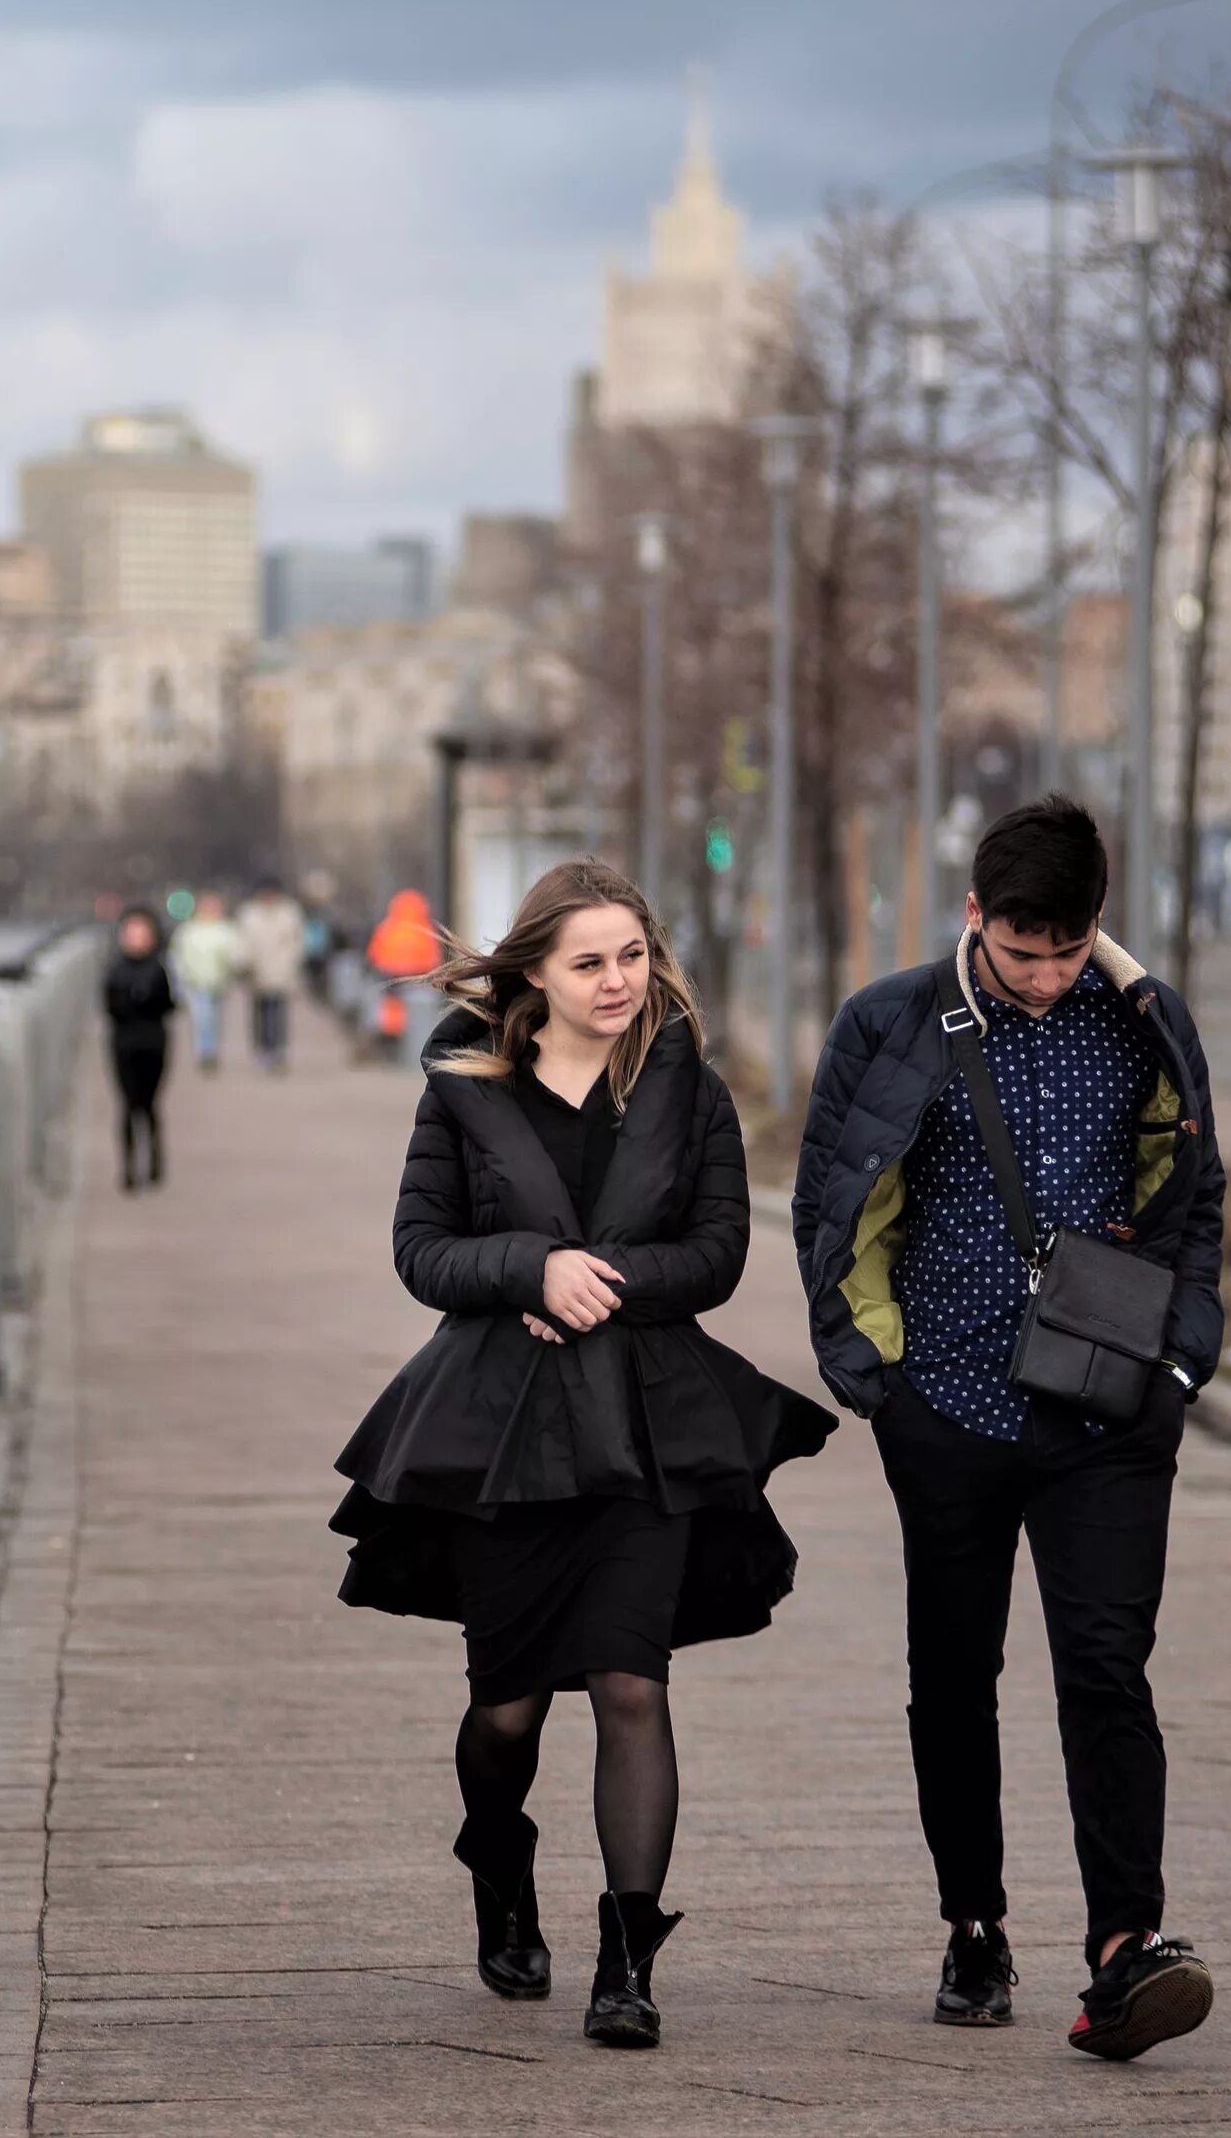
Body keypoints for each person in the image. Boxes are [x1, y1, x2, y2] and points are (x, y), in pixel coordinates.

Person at [329, 859, 835, 2050]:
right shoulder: (464, 1087)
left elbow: (718, 1254)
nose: (618, 981)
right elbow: (422, 1251)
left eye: (632, 955)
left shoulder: (690, 1091)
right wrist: (527, 1271)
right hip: (504, 1435)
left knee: (631, 1685)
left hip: (644, 1430)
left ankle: (628, 1958)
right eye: (589, 962)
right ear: (536, 975)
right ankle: (500, 1875)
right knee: (505, 1712)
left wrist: (602, 1284)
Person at [791, 795, 1225, 2063]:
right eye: (1022, 950)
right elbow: (828, 1201)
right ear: (973, 915)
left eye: (1069, 950)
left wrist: (1181, 1368)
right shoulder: (888, 1022)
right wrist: (877, 1380)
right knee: (954, 1675)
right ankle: (973, 1925)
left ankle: (1125, 1951)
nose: (1045, 977)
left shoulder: (1145, 1021)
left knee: (1106, 1667)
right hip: (951, 1412)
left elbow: (1199, 1203)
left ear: (1098, 925)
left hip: (1110, 1414)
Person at [102, 906, 178, 1191]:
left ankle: (155, 1160)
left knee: (150, 1104)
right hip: (124, 1043)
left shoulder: (158, 969)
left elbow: (168, 1005)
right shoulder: (115, 970)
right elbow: (109, 1007)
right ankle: (129, 1168)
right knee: (127, 1104)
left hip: (153, 1042)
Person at [362, 887, 443, 1064]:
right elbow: (435, 960)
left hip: (390, 982)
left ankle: (387, 1043)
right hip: (418, 984)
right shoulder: (426, 930)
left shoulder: (386, 928)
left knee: (383, 1011)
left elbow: (373, 956)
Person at [236, 877, 307, 1074]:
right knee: (260, 1014)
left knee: (279, 1014)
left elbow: (297, 941)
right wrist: (244, 962)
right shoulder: (249, 914)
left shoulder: (289, 913)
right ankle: (263, 1050)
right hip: (257, 973)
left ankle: (278, 1051)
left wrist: (292, 962)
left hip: (281, 972)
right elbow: (243, 941)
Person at [168, 891, 244, 1072]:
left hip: (219, 982)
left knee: (215, 1019)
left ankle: (212, 1049)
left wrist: (233, 969)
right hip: (196, 983)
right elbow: (177, 956)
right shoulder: (188, 930)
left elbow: (235, 954)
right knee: (203, 1018)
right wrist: (181, 980)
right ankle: (205, 1052)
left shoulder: (226, 930)